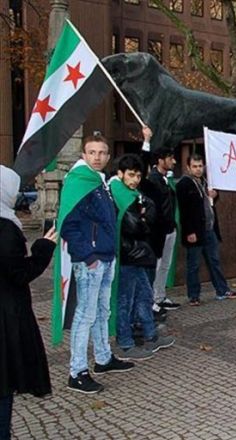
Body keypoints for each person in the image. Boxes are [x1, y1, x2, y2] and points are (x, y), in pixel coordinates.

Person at [60, 133, 135, 394]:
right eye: (92, 152)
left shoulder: (99, 181)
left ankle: (103, 358)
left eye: (102, 153)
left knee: (103, 311)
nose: (98, 157)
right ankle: (77, 371)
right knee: (85, 315)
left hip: (105, 256)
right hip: (90, 260)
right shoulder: (79, 181)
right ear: (83, 154)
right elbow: (67, 226)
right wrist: (88, 256)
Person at [0, 166, 56, 439]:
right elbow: (19, 273)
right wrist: (43, 248)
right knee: (3, 383)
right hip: (6, 316)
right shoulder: (6, 229)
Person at [109, 154, 175, 361]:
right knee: (125, 300)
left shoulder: (133, 193)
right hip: (128, 254)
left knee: (144, 296)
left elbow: (151, 215)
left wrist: (144, 218)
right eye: (131, 175)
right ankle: (126, 342)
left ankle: (150, 335)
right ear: (120, 174)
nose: (135, 179)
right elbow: (135, 225)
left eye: (138, 175)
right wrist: (144, 218)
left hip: (138, 253)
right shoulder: (119, 192)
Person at [177, 154, 236, 306]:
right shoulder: (184, 184)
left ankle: (222, 290)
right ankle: (194, 295)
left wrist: (214, 195)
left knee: (214, 261)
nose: (198, 169)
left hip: (209, 228)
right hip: (195, 231)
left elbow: (209, 202)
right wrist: (189, 232)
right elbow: (184, 211)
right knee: (193, 264)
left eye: (200, 166)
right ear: (188, 168)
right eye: (195, 166)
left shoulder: (207, 181)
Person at [139, 129, 180, 313]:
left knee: (165, 265)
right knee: (156, 265)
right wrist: (146, 141)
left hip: (170, 229)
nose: (174, 161)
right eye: (170, 158)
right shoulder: (152, 179)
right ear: (161, 160)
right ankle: (151, 300)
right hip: (158, 232)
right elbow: (141, 165)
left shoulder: (165, 180)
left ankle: (160, 296)